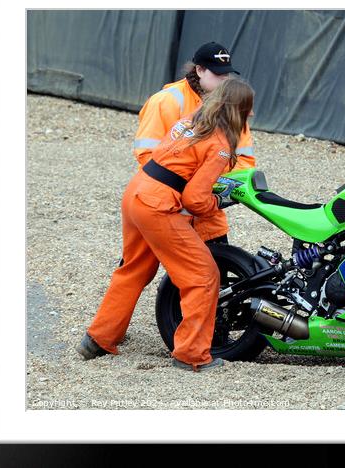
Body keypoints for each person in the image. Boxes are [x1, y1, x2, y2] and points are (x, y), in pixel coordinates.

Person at [76, 78, 255, 372]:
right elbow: (195, 200)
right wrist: (219, 202)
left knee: (134, 269)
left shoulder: (190, 122)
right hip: (156, 206)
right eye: (247, 109)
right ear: (238, 109)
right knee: (203, 274)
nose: (250, 115)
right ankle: (191, 355)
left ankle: (98, 339)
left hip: (136, 193)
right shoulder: (221, 143)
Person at [133, 41, 256, 244]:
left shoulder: (233, 109)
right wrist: (189, 188)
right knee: (139, 266)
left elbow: (245, 161)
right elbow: (147, 155)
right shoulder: (166, 101)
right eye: (218, 75)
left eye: (227, 75)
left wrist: (208, 187)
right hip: (164, 206)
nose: (224, 80)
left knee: (216, 267)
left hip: (206, 210)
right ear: (199, 70)